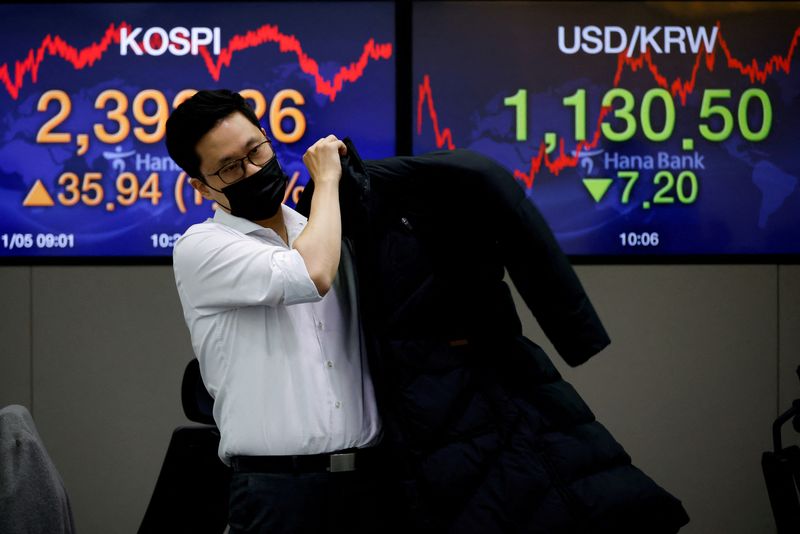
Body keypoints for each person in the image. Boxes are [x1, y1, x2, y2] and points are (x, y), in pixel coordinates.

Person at [165, 89, 382, 534]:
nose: (252, 169)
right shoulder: (201, 247)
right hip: (277, 490)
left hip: (371, 481)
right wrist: (326, 180)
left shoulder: (322, 228)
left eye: (255, 150)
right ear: (201, 185)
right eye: (229, 168)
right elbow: (311, 274)